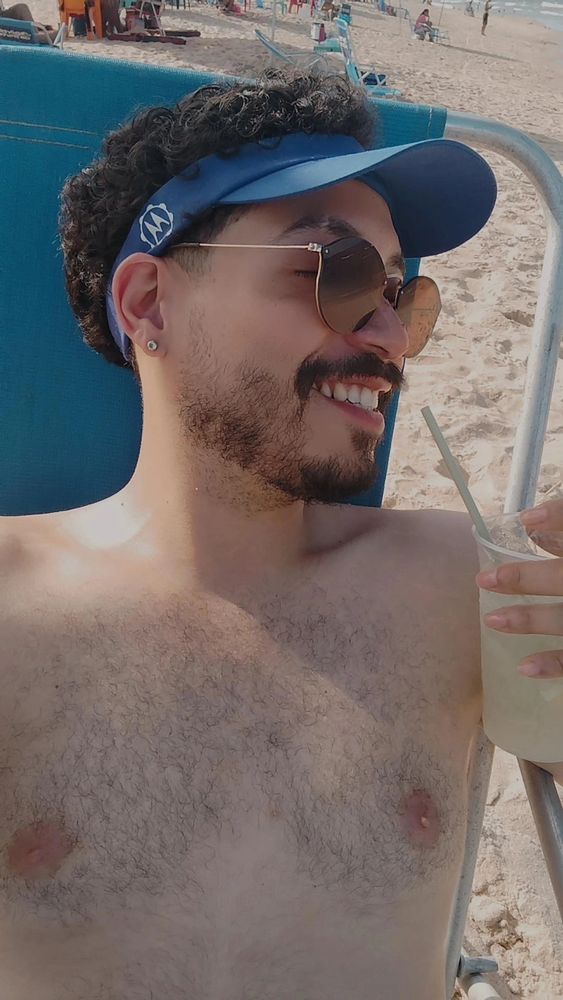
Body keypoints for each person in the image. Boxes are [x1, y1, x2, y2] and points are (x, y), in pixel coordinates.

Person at [1, 69, 562, 999]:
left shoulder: (466, 585)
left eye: (401, 295)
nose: (388, 335)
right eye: (337, 273)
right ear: (150, 305)